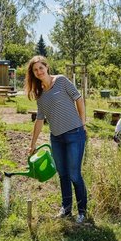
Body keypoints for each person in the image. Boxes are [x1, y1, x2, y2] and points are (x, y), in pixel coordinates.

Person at [25, 55, 87, 224]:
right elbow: (39, 120)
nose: (39, 71)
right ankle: (66, 209)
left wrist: (82, 123)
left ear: (46, 67)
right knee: (63, 175)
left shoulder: (61, 81)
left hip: (75, 134)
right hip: (57, 138)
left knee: (74, 174)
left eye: (41, 68)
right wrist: (32, 145)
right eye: (35, 70)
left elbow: (78, 98)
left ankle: (82, 212)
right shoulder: (39, 94)